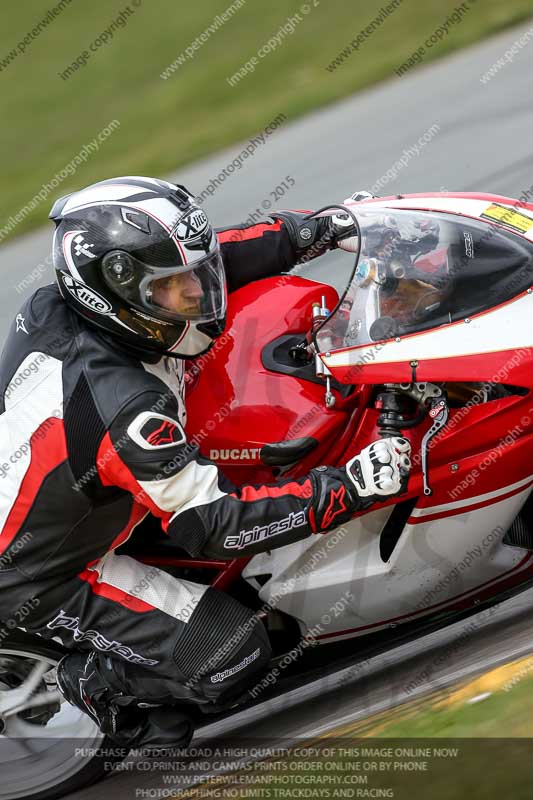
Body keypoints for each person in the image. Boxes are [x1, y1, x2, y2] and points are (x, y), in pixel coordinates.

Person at [0, 177, 411, 748]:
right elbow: (214, 526)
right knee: (234, 654)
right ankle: (100, 685)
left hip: (56, 492)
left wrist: (312, 230)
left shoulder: (65, 303)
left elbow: (215, 254)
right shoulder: (128, 411)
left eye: (192, 277)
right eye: (172, 288)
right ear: (117, 295)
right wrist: (347, 488)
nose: (197, 295)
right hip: (38, 576)